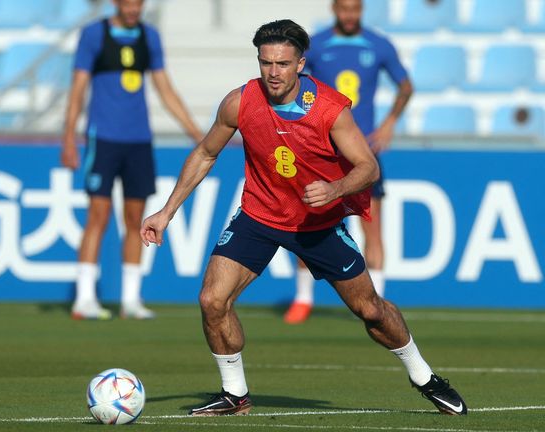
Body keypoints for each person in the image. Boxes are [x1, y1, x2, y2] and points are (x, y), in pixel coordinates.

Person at [140, 19, 466, 416]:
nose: (273, 72)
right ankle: (235, 394)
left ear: (300, 64)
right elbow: (206, 153)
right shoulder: (240, 102)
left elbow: (368, 167)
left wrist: (335, 189)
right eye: (266, 62)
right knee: (212, 299)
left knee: (370, 311)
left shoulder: (329, 109)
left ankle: (425, 378)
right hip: (259, 215)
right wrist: (166, 211)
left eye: (282, 63)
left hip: (318, 225)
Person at [62, 0, 203, 320]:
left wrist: (197, 134)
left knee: (135, 219)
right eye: (127, 3)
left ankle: (131, 299)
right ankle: (84, 298)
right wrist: (69, 137)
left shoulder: (149, 37)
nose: (133, 9)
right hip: (104, 138)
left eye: (138, 3)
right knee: (98, 215)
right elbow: (78, 88)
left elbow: (165, 89)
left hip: (139, 140)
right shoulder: (94, 35)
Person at [284, 0, 413, 324]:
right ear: (334, 8)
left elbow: (406, 86)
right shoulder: (317, 44)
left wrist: (389, 122)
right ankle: (302, 298)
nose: (350, 15)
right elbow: (294, 83)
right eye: (344, 9)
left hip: (363, 153)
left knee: (373, 226)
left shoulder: (378, 44)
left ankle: (378, 302)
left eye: (355, 9)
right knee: (307, 222)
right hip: (323, 151)